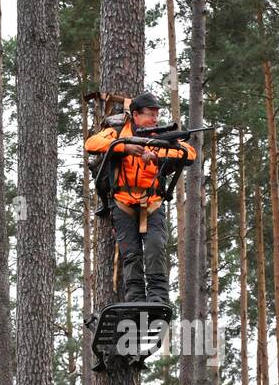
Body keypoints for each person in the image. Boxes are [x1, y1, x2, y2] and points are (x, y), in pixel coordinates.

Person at [84, 91, 197, 306]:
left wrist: (158, 154)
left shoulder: (160, 137)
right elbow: (91, 144)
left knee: (155, 248)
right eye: (150, 114)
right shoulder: (116, 132)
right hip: (122, 203)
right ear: (135, 115)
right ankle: (135, 300)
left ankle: (157, 299)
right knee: (131, 254)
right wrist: (125, 147)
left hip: (152, 202)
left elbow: (189, 153)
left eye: (157, 114)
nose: (155, 118)